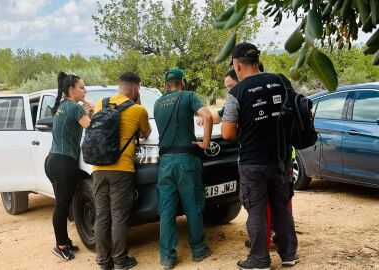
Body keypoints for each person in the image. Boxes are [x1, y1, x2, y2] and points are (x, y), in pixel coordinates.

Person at [221, 43, 299, 270]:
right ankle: (289, 255)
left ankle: (259, 259)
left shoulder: (236, 92)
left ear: (237, 66)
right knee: (282, 206)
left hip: (252, 162)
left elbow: (227, 133)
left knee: (256, 210)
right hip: (281, 158)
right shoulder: (281, 81)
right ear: (257, 61)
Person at [153, 68, 213, 270]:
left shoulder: (157, 103)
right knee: (193, 206)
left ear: (165, 85)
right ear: (183, 82)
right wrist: (205, 142)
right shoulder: (188, 96)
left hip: (165, 162)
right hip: (186, 160)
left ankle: (168, 257)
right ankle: (198, 250)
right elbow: (207, 115)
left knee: (167, 209)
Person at [92, 72, 151, 270]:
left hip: (98, 168)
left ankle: (103, 261)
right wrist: (138, 102)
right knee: (119, 217)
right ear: (135, 88)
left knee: (102, 215)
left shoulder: (101, 103)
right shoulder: (138, 109)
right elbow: (145, 133)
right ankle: (120, 261)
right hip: (122, 169)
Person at [45, 72, 93, 261]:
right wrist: (94, 112)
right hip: (64, 163)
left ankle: (64, 240)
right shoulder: (74, 108)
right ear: (71, 89)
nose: (85, 90)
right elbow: (92, 127)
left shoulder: (61, 106)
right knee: (62, 206)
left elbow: (79, 124)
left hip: (52, 161)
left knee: (62, 204)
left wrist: (86, 113)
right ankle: (60, 245)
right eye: (82, 87)